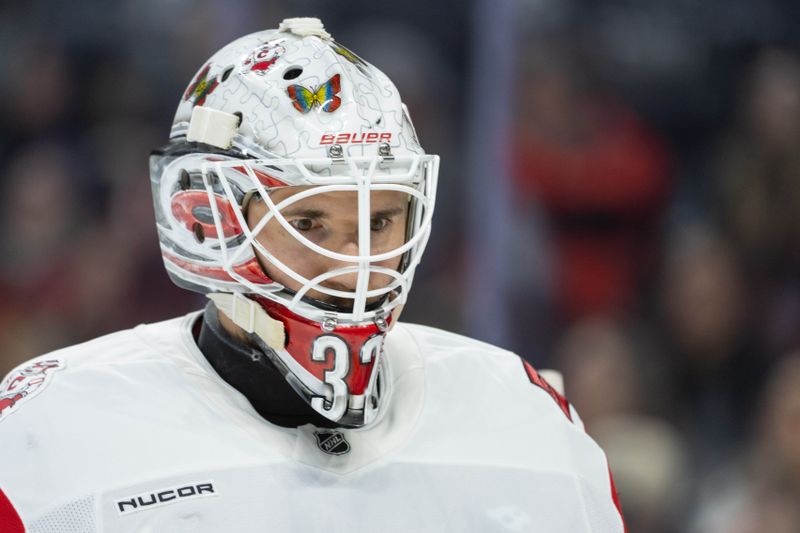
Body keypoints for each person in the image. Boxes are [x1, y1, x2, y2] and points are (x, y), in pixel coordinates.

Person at [0, 18, 625, 532]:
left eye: (380, 220)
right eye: (312, 222)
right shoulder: (51, 432)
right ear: (209, 220)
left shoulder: (523, 417)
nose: (354, 261)